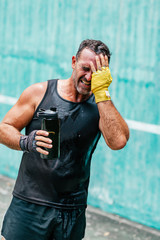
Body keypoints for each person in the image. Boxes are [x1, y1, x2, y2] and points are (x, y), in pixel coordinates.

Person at [0, 39, 129, 240]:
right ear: (73, 62)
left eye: (96, 73)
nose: (88, 77)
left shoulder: (102, 106)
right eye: (85, 68)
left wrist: (102, 93)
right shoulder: (39, 92)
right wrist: (26, 142)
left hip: (72, 211)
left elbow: (118, 141)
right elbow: (4, 128)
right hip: (29, 205)